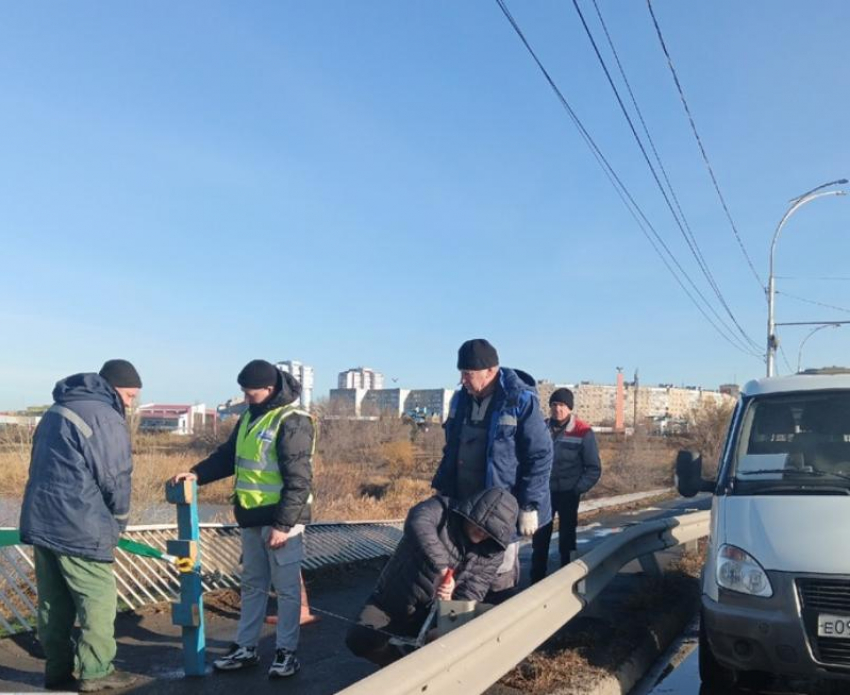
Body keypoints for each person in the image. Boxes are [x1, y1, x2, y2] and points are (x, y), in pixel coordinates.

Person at [172, 359, 314, 679]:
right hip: (251, 517)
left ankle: (286, 653)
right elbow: (227, 457)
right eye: (243, 392)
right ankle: (246, 648)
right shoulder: (251, 416)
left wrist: (283, 525)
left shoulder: (293, 420)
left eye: (250, 392)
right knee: (252, 585)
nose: (246, 398)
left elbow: (299, 480)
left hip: (282, 521)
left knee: (287, 590)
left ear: (270, 388)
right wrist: (196, 474)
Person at [19, 359, 142, 692]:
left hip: (41, 520)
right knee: (98, 601)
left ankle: (57, 670)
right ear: (114, 387)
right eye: (130, 396)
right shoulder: (105, 417)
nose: (130, 403)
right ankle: (97, 671)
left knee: (52, 603)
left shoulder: (55, 411)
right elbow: (115, 477)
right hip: (80, 524)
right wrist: (118, 522)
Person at [431, 339, 553, 594]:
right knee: (462, 571)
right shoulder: (460, 400)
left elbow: (540, 455)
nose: (463, 380)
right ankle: (458, 623)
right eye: (461, 374)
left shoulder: (518, 401)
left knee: (498, 573)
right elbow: (451, 448)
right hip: (465, 504)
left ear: (491, 371)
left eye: (468, 374)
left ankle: (498, 621)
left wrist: (530, 504)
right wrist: (443, 489)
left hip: (502, 509)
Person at [346, 487, 519, 666]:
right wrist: (442, 569)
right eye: (478, 524)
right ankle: (399, 664)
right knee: (359, 640)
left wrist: (448, 612)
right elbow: (417, 522)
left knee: (442, 647)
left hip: (432, 612)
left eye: (488, 531)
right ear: (470, 512)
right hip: (392, 599)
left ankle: (415, 676)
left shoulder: (492, 553)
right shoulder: (441, 509)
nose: (481, 532)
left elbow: (474, 590)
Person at [530, 387, 601, 583]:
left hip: (569, 492)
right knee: (540, 537)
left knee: (567, 539)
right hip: (544, 493)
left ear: (569, 408)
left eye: (561, 405)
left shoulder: (583, 431)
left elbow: (593, 468)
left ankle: (567, 579)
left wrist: (577, 489)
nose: (557, 409)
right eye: (554, 405)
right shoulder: (541, 429)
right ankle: (536, 580)